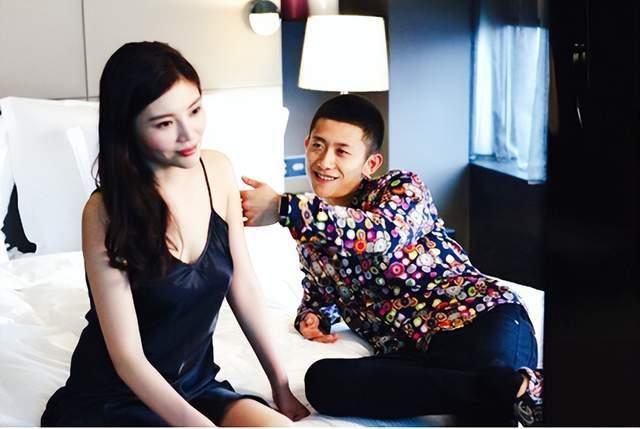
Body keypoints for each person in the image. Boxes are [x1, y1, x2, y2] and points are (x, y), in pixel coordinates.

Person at [40, 41, 309, 427]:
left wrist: (280, 385)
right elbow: (127, 358)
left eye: (195, 110)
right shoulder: (103, 213)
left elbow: (243, 286)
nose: (189, 135)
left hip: (195, 386)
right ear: (128, 128)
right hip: (117, 397)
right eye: (165, 123)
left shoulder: (217, 171)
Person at [240, 94, 544, 426]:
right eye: (318, 146)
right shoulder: (312, 238)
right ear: (306, 145)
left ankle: (501, 387)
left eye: (342, 152)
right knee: (323, 382)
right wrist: (312, 317)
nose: (325, 161)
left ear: (370, 164)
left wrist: (285, 207)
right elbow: (319, 296)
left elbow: (379, 235)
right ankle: (515, 388)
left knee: (483, 412)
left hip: (477, 318)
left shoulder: (402, 188)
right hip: (414, 354)